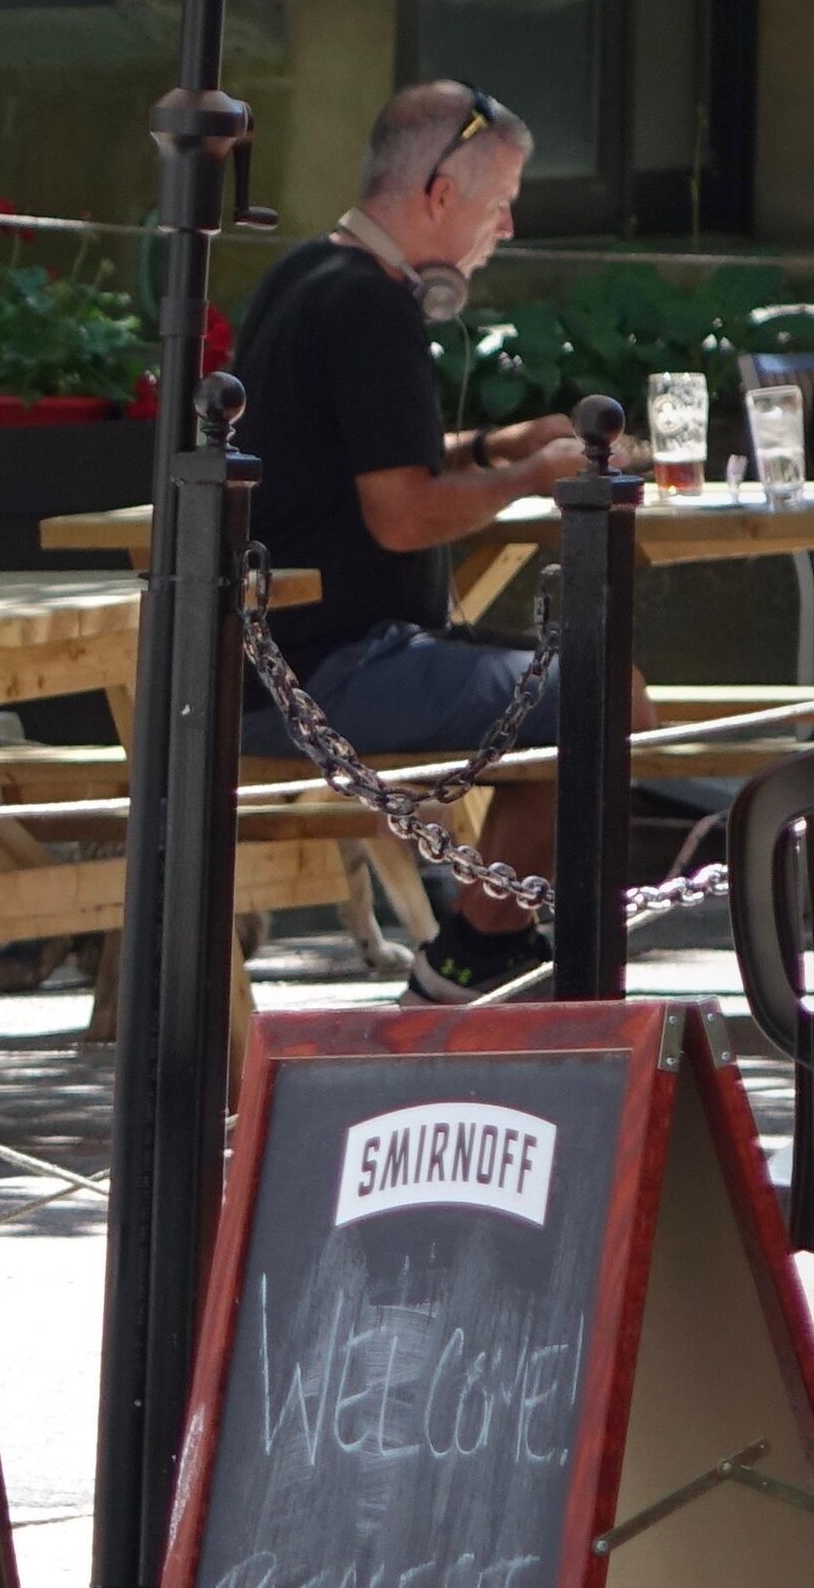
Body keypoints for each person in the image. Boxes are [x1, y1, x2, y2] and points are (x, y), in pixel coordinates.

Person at [232, 82, 645, 995]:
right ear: (440, 195)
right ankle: (476, 954)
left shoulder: (308, 273)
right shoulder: (371, 308)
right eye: (499, 207)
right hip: (326, 670)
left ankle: (486, 942)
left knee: (583, 684)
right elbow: (402, 513)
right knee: (601, 691)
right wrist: (538, 478)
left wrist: (500, 445)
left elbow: (373, 461)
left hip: (281, 660)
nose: (504, 229)